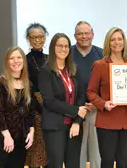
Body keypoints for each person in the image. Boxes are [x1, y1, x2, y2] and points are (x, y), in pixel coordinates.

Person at [87, 27, 127, 168]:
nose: (117, 42)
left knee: (125, 162)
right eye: (113, 39)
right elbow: (91, 92)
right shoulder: (99, 65)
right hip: (107, 122)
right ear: (108, 43)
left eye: (119, 39)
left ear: (124, 41)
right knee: (107, 162)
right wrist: (103, 103)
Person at [38, 33, 88, 168]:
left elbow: (81, 96)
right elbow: (49, 101)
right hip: (54, 127)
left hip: (74, 126)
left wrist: (77, 121)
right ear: (53, 47)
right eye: (60, 45)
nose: (63, 49)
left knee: (73, 164)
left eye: (66, 46)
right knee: (55, 164)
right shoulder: (45, 71)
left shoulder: (73, 70)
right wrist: (76, 110)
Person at [0, 47, 38, 168]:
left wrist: (31, 132)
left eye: (19, 57)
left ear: (23, 61)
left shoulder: (28, 84)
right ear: (7, 62)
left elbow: (31, 111)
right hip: (6, 136)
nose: (15, 61)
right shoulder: (0, 84)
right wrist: (7, 136)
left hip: (23, 135)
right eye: (11, 58)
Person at [71, 21, 102, 168]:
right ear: (75, 35)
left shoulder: (101, 54)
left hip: (97, 110)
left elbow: (107, 82)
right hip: (74, 111)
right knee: (77, 152)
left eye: (87, 33)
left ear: (93, 35)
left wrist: (97, 103)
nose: (84, 36)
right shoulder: (67, 54)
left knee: (97, 153)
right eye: (80, 33)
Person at [25, 22, 49, 168]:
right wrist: (38, 105)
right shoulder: (25, 59)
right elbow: (27, 87)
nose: (38, 40)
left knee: (49, 147)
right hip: (34, 108)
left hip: (52, 106)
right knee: (36, 148)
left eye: (40, 36)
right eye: (34, 37)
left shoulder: (50, 58)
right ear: (28, 39)